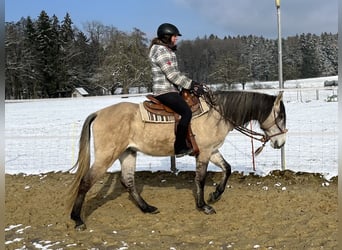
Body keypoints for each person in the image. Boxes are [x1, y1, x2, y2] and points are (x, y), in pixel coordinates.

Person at [148, 23, 205, 157]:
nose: (176, 39)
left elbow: (175, 74)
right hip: (164, 91)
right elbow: (172, 75)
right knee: (186, 113)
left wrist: (193, 83)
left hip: (171, 89)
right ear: (166, 37)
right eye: (174, 36)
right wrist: (191, 85)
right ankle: (179, 147)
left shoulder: (166, 50)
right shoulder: (161, 51)